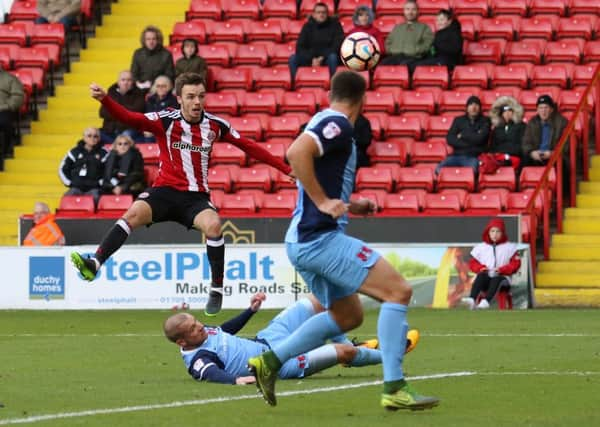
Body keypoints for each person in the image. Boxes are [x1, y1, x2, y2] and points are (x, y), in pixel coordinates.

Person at [247, 71, 439, 411]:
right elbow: (296, 153)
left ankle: (270, 362)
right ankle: (395, 386)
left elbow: (306, 171)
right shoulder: (339, 123)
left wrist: (350, 204)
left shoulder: (321, 120)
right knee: (399, 291)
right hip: (319, 239)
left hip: (302, 240)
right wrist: (323, 202)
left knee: (347, 315)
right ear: (362, 101)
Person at [70, 72, 293, 317]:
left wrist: (285, 169)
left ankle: (217, 288)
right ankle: (95, 262)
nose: (197, 102)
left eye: (201, 96)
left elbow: (250, 147)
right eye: (191, 97)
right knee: (132, 213)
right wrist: (105, 100)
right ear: (179, 99)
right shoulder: (165, 120)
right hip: (163, 193)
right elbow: (130, 118)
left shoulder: (216, 126)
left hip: (195, 198)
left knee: (214, 226)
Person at [164, 292, 420, 385]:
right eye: (195, 329)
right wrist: (236, 379)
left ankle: (353, 344)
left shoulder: (201, 334)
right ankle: (391, 355)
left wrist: (250, 311)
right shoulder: (198, 358)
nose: (201, 328)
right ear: (182, 343)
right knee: (343, 353)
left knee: (318, 301)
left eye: (198, 323)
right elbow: (210, 374)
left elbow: (223, 330)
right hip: (279, 364)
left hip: (269, 337)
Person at [461, 218, 521, 310]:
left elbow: (516, 264)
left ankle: (486, 302)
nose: (495, 234)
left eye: (498, 231)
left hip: (503, 280)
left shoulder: (510, 247)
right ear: (488, 232)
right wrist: (481, 268)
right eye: (492, 231)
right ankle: (472, 299)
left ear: (502, 233)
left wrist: (502, 269)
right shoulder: (481, 247)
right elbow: (473, 263)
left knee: (497, 279)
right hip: (487, 279)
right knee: (481, 275)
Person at [436, 95, 491, 176]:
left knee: (472, 173)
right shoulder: (458, 120)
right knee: (439, 169)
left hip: (474, 157)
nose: (474, 107)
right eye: (471, 104)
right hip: (456, 156)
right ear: (467, 108)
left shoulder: (485, 121)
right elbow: (450, 139)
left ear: (480, 108)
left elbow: (480, 139)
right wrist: (472, 141)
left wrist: (463, 135)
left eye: (476, 104)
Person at [289, 3, 344, 81]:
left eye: (323, 12)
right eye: (318, 12)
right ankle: (294, 83)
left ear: (327, 14)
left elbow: (338, 45)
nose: (321, 14)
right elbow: (300, 47)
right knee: (293, 58)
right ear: (314, 14)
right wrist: (312, 59)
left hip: (327, 58)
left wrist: (322, 57)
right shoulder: (307, 26)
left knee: (333, 57)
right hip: (310, 59)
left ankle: (333, 83)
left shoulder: (335, 25)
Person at [58, 127, 107, 205]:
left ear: (99, 138)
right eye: (89, 136)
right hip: (76, 188)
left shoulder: (104, 153)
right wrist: (70, 183)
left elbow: (108, 171)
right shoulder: (74, 152)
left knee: (97, 198)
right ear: (84, 137)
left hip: (94, 189)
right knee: (66, 199)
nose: (92, 138)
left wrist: (99, 183)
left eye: (95, 136)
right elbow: (62, 169)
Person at [380, 0, 433, 70]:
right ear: (404, 11)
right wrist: (391, 50)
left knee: (403, 68)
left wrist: (416, 51)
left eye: (413, 9)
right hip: (394, 57)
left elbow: (427, 43)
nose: (410, 12)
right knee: (381, 66)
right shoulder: (397, 27)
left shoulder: (424, 27)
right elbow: (388, 41)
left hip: (413, 58)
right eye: (407, 9)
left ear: (417, 11)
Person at [99, 70, 146, 143]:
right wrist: (122, 112)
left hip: (129, 129)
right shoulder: (111, 92)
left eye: (129, 80)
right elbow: (102, 112)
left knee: (124, 138)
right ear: (118, 82)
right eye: (123, 80)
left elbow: (136, 111)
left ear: (133, 82)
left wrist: (114, 110)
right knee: (93, 134)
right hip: (109, 130)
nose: (126, 83)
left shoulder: (139, 94)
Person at [522, 94, 568, 167]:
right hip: (537, 156)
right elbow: (526, 142)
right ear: (537, 109)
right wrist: (532, 152)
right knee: (525, 160)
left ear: (551, 109)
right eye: (541, 108)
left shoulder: (561, 122)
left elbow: (566, 145)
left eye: (546, 108)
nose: (543, 111)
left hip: (554, 156)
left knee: (561, 162)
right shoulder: (532, 122)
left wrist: (552, 153)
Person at [130, 26, 175, 92]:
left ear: (158, 40)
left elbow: (169, 76)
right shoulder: (138, 53)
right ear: (144, 40)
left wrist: (155, 84)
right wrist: (138, 83)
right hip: (140, 86)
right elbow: (133, 73)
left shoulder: (166, 54)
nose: (151, 42)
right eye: (148, 39)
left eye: (154, 39)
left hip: (159, 87)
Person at [488, 96, 526, 171]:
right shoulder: (497, 128)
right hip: (499, 157)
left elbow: (522, 145)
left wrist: (507, 153)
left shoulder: (521, 126)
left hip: (515, 156)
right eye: (505, 112)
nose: (507, 113)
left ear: (514, 112)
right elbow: (493, 146)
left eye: (509, 111)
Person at [144, 76, 179, 142]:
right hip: (153, 129)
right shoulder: (150, 99)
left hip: (167, 129)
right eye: (158, 86)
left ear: (169, 87)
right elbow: (147, 115)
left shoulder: (174, 100)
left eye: (163, 86)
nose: (160, 88)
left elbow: (170, 118)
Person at [0, 64, 24, 160]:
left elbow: (18, 96)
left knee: (4, 122)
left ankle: (5, 150)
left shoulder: (10, 79)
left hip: (3, 110)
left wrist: (6, 106)